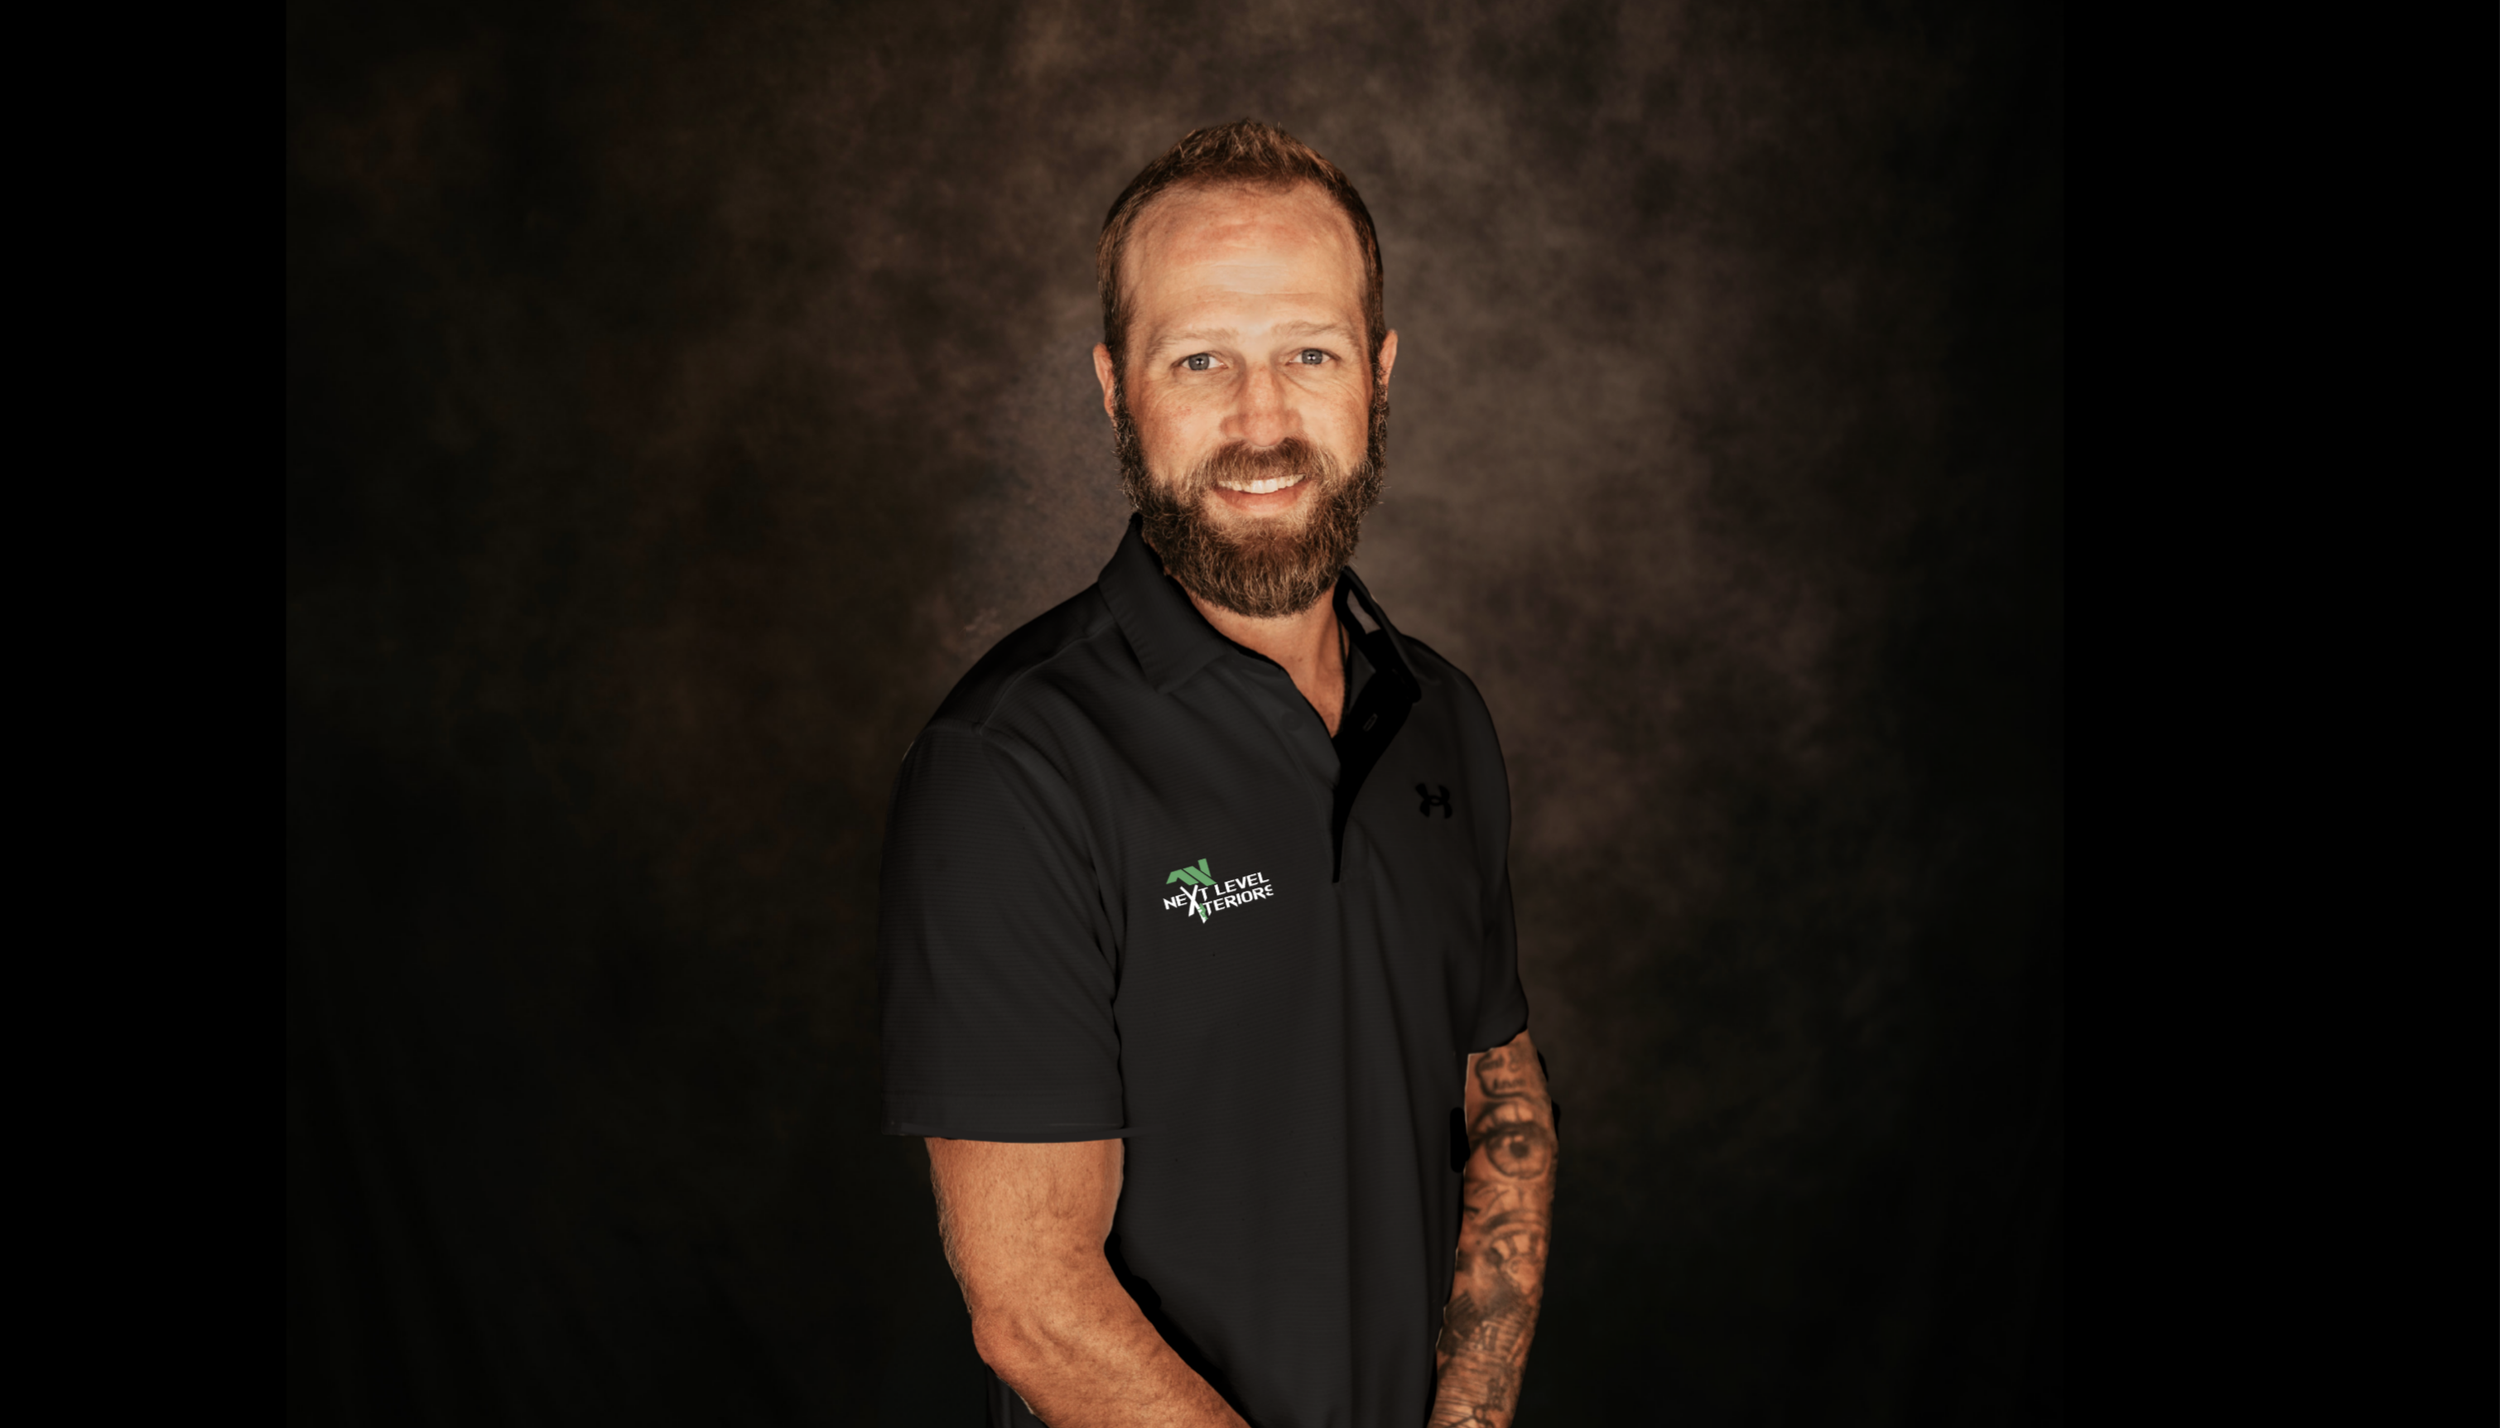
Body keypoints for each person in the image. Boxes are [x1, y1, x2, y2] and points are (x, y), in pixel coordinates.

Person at [879, 119, 1558, 1428]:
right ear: (1112, 384)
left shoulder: (1440, 719)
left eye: (1309, 353)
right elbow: (1033, 1305)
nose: (1263, 422)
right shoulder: (1014, 765)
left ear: (1380, 373)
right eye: (1201, 360)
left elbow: (1504, 1099)